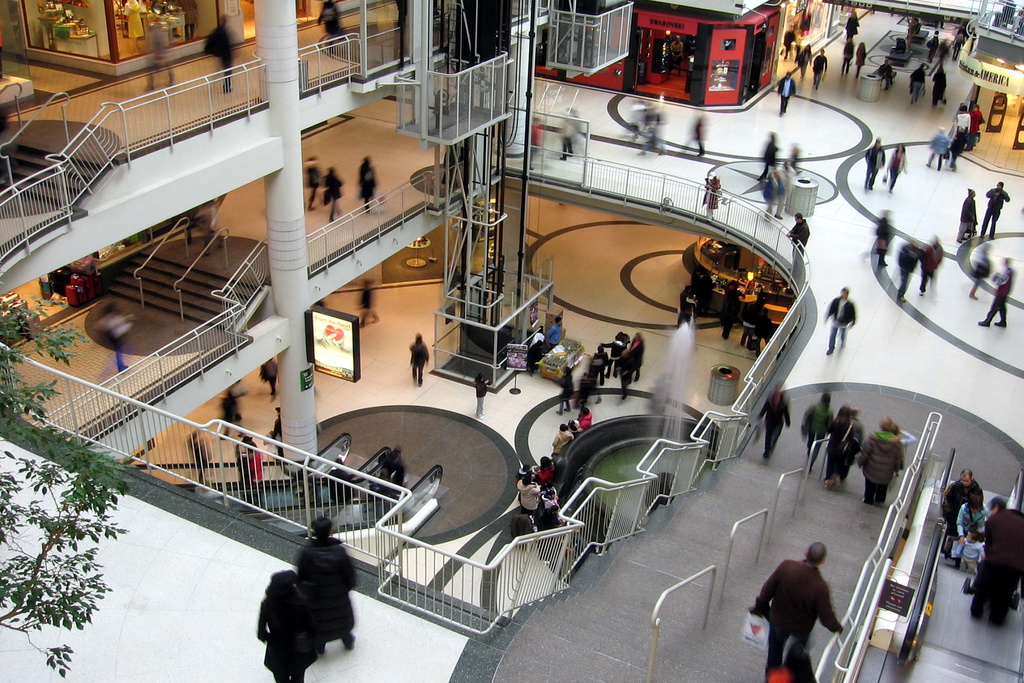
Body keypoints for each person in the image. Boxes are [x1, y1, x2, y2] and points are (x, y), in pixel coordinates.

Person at [751, 542, 843, 675]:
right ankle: (788, 674)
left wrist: (761, 607)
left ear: (806, 553)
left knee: (774, 657)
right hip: (801, 629)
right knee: (795, 658)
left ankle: (772, 679)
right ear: (823, 561)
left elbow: (767, 590)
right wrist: (838, 628)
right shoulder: (820, 587)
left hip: (777, 621)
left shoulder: (786, 567)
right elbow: (826, 618)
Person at [296, 516, 357, 654]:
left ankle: (320, 647)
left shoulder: (307, 553)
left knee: (319, 625)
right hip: (338, 597)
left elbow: (300, 577)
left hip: (316, 599)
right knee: (341, 622)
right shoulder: (339, 551)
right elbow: (350, 576)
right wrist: (344, 589)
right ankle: (348, 642)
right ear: (330, 532)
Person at [257, 570, 318, 683]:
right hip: (298, 651)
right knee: (298, 678)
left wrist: (273, 640)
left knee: (281, 679)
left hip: (278, 653)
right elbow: (312, 628)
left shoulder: (268, 605)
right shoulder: (300, 605)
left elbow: (261, 633)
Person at [971, 497, 1024, 624]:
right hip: (1015, 567)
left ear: (996, 508)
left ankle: (977, 611)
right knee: (1006, 593)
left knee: (983, 587)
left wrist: (987, 555)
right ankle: (997, 618)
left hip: (994, 562)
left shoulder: (993, 520)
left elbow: (988, 543)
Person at [857, 417, 904, 505]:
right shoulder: (896, 442)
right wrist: (897, 469)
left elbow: (865, 452)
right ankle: (879, 499)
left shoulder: (873, 438)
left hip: (872, 467)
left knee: (870, 484)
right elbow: (898, 458)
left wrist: (861, 462)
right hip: (887, 470)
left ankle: (868, 499)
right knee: (883, 484)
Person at [824, 406, 861, 489]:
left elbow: (828, 430)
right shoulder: (849, 425)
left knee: (830, 463)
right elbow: (850, 438)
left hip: (832, 446)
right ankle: (836, 475)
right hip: (841, 449)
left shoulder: (835, 422)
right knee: (838, 463)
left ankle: (828, 479)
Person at [952, 493, 988, 570]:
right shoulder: (963, 508)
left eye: (977, 509)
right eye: (973, 509)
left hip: (977, 533)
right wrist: (961, 535)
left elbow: (988, 523)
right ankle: (958, 560)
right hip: (965, 530)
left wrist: (982, 531)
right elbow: (959, 523)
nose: (975, 511)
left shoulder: (985, 510)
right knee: (961, 545)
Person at [759, 384, 791, 460]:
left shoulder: (784, 403)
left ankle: (772, 443)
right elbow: (765, 408)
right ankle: (767, 450)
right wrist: (760, 416)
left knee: (775, 436)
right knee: (768, 435)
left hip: (778, 422)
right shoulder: (770, 399)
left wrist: (787, 421)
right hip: (769, 420)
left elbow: (786, 412)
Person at [99, 301, 133, 372]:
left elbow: (101, 325)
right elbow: (121, 323)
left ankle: (121, 366)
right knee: (118, 353)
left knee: (118, 352)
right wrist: (129, 320)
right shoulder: (114, 317)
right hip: (116, 338)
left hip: (112, 338)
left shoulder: (107, 318)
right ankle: (121, 367)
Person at [979, 258, 1013, 327]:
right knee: (1002, 308)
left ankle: (987, 321)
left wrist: (995, 276)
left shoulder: (1007, 273)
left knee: (995, 307)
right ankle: (1003, 321)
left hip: (1001, 293)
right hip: (1004, 293)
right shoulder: (1009, 271)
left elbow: (1000, 281)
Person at [204, 16, 234, 93]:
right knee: (228, 71)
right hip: (226, 55)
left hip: (221, 53)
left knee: (224, 69)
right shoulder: (224, 32)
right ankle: (226, 87)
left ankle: (225, 86)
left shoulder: (218, 31)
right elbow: (227, 44)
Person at [824, 288, 856, 355]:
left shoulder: (850, 304)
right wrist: (827, 317)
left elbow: (853, 314)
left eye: (845, 293)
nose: (843, 295)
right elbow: (831, 309)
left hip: (844, 322)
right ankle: (831, 348)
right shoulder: (836, 301)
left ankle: (842, 341)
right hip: (836, 321)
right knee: (833, 335)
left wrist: (852, 322)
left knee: (842, 333)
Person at [801, 393, 833, 458]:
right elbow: (830, 424)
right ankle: (812, 460)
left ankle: (809, 452)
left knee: (810, 442)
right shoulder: (829, 412)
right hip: (821, 432)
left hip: (812, 428)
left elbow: (807, 414)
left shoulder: (814, 407)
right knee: (817, 446)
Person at [146, 25, 173, 92]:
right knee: (168, 67)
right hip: (161, 55)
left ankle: (151, 85)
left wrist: (161, 56)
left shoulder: (156, 35)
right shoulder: (158, 33)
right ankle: (171, 80)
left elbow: (160, 45)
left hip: (160, 55)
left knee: (152, 69)